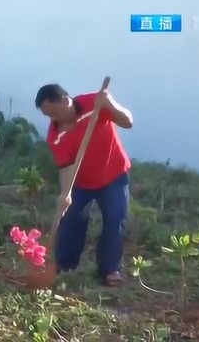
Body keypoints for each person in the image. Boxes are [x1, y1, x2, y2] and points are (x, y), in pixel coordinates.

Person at [35, 82, 133, 287]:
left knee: (115, 220)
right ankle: (65, 263)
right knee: (71, 220)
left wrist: (110, 104)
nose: (53, 120)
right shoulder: (55, 136)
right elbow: (65, 167)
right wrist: (65, 194)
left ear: (64, 100)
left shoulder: (93, 103)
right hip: (82, 182)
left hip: (113, 175)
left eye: (54, 113)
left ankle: (109, 269)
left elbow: (127, 122)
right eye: (48, 116)